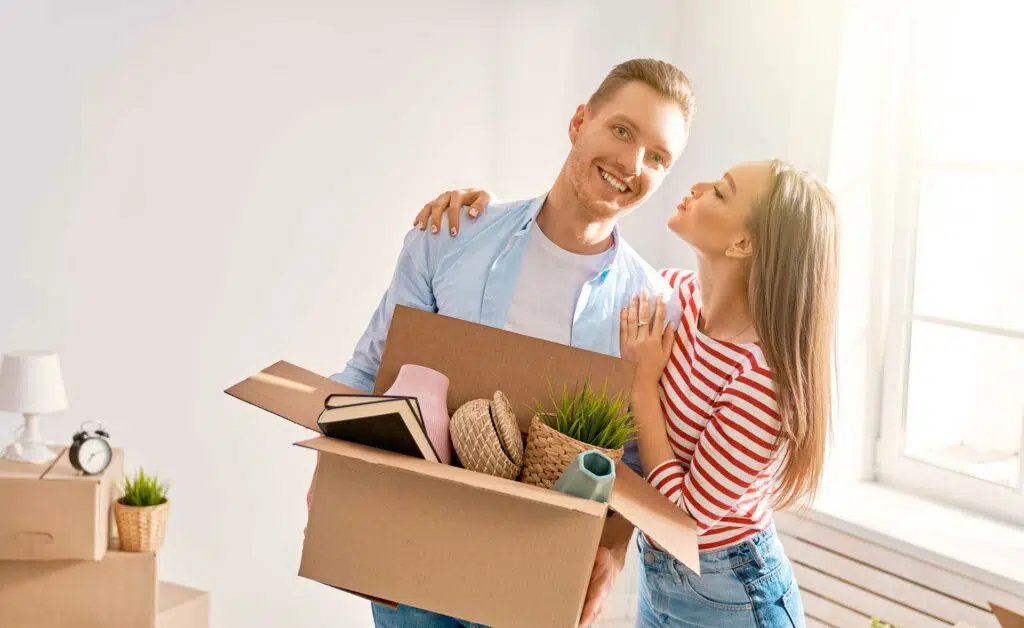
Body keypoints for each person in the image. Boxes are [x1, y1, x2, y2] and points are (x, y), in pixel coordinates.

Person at [315, 57, 696, 628]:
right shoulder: (452, 235)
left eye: (657, 157)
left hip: (537, 580)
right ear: (578, 122)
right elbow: (372, 371)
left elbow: (633, 458)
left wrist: (614, 551)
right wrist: (334, 495)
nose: (631, 163)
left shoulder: (653, 308)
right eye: (622, 130)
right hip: (411, 559)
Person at [412, 158, 838, 627]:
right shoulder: (675, 295)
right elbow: (568, 286)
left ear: (742, 243)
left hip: (732, 595)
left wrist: (642, 384)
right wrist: (479, 220)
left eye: (720, 191)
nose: (697, 184)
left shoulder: (763, 382)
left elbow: (682, 521)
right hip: (660, 578)